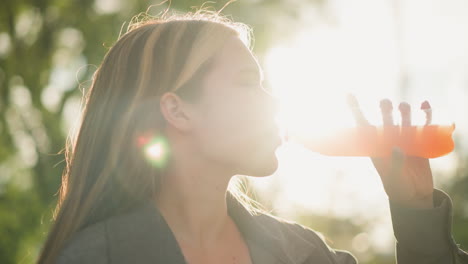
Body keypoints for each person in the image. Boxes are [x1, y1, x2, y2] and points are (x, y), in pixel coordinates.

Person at [37, 10, 468, 264]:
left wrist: (415, 213)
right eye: (249, 82)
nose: (273, 101)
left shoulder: (303, 253)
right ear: (177, 109)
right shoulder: (93, 257)